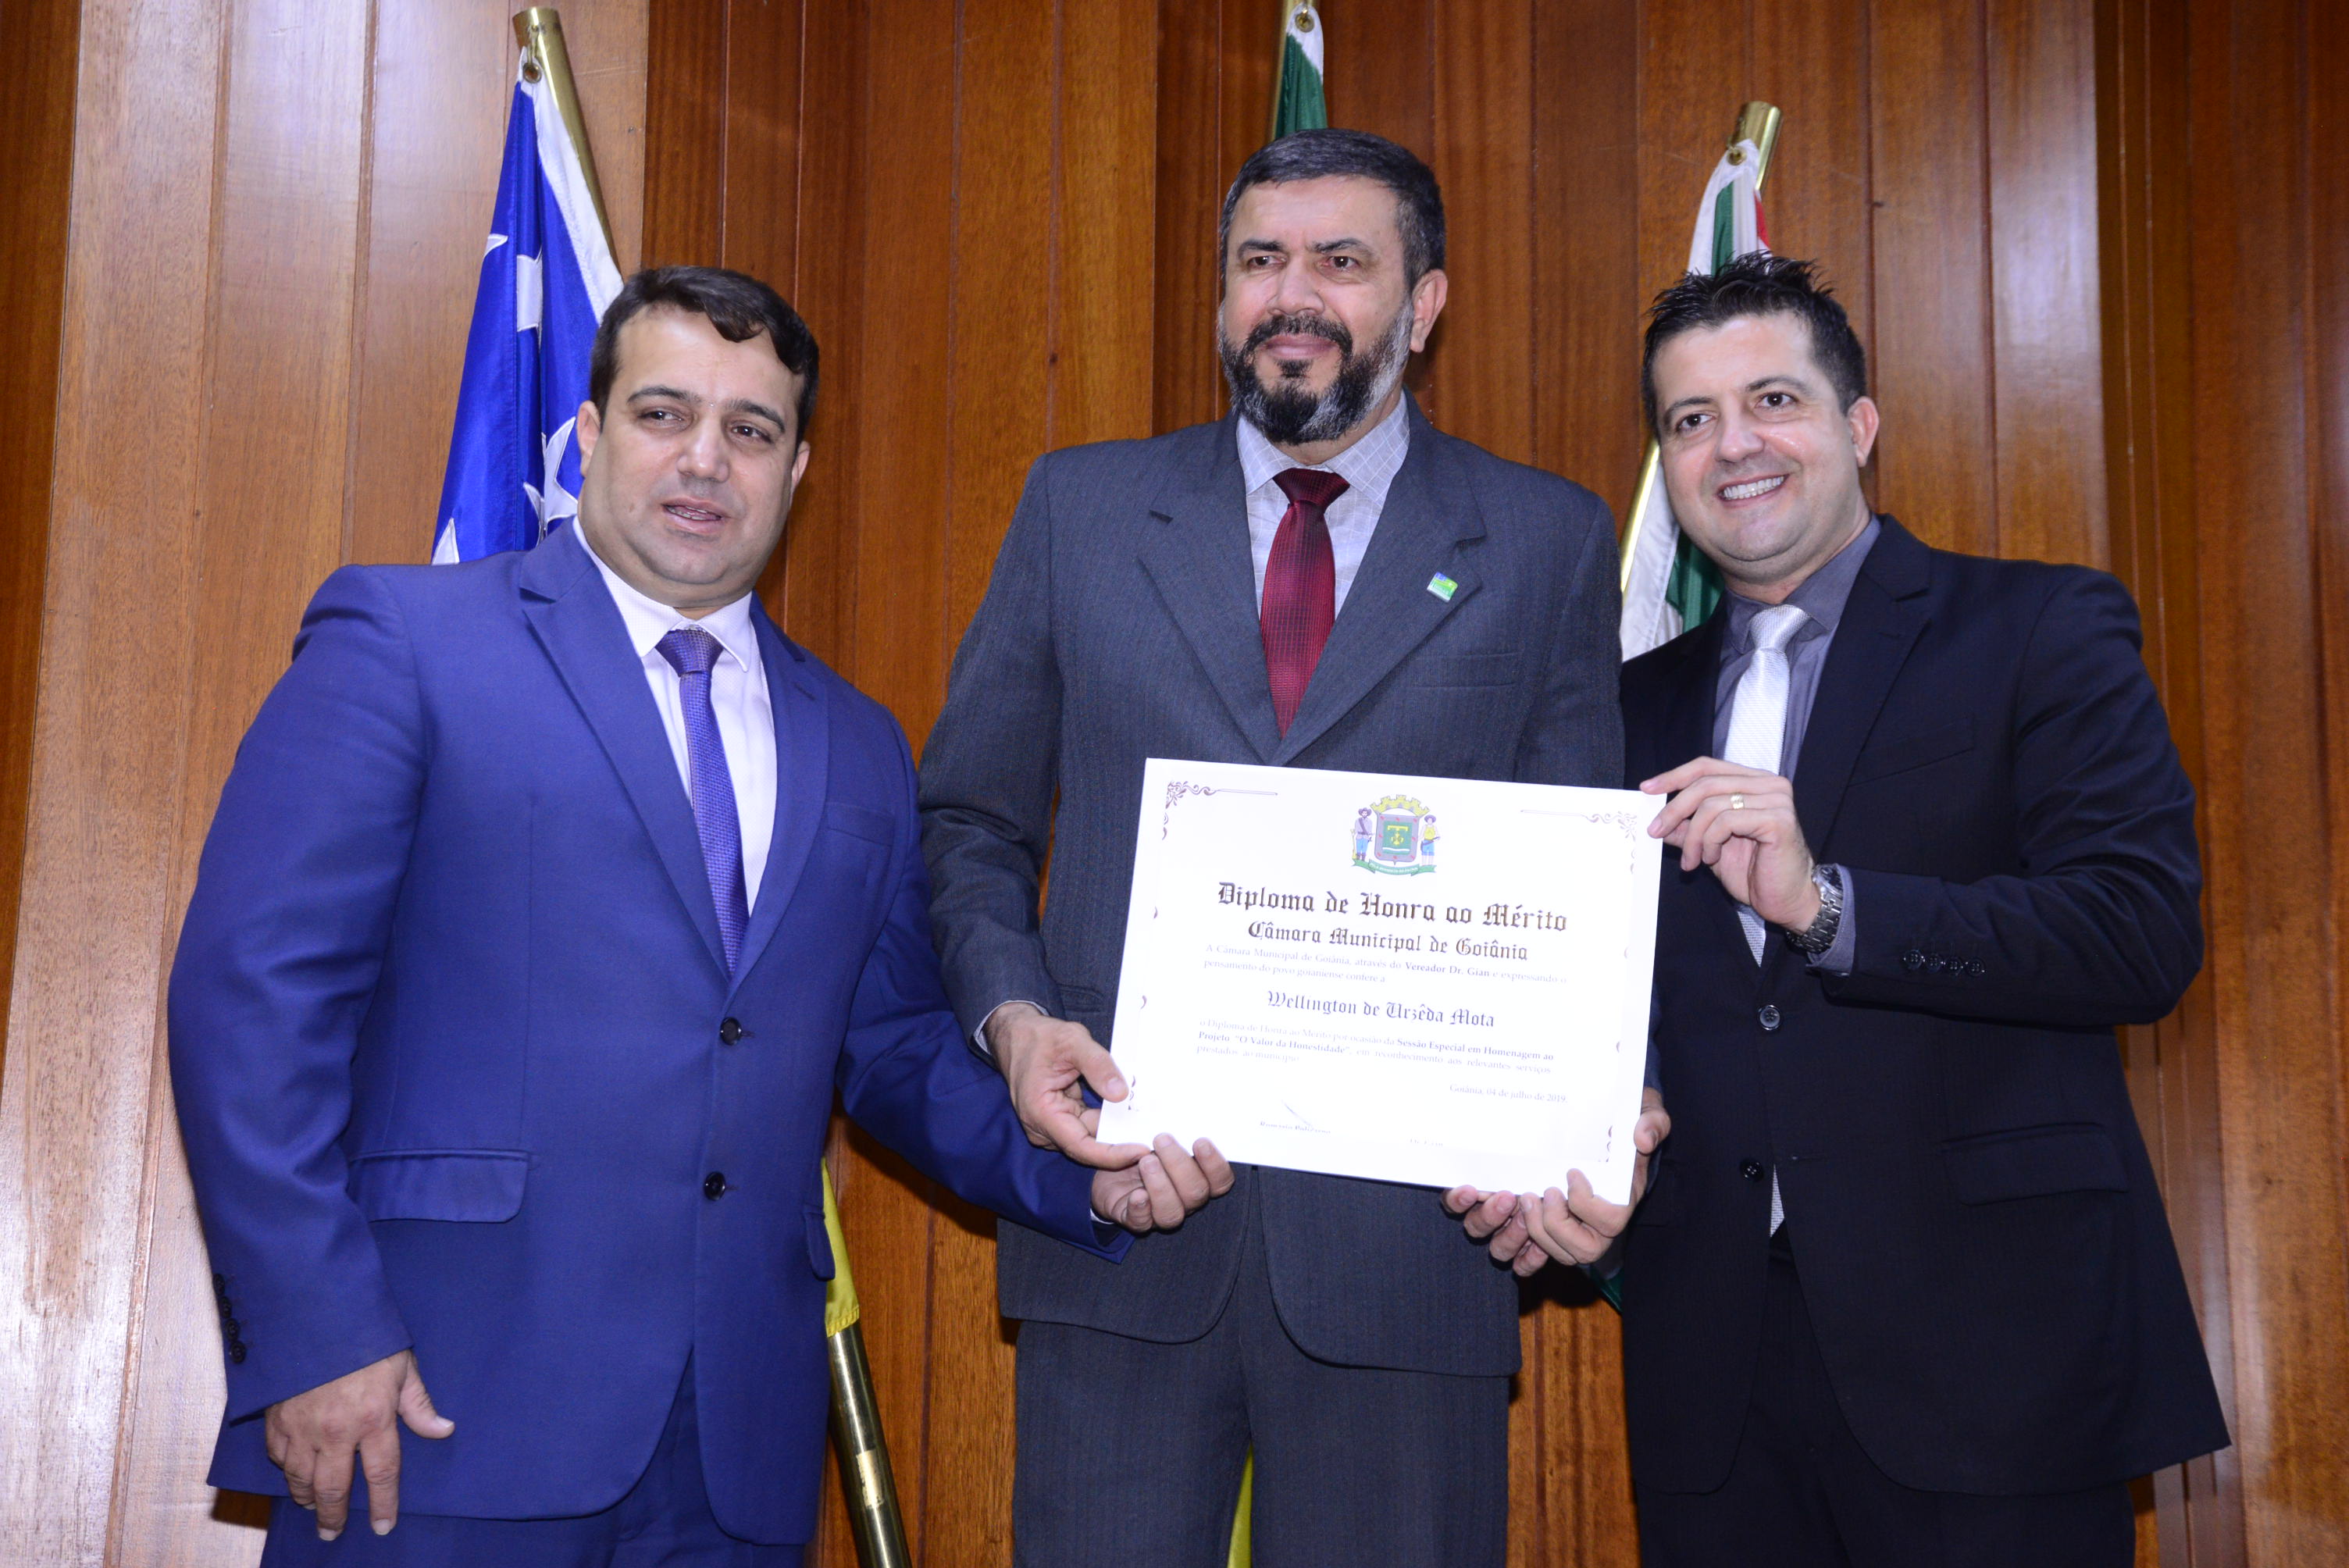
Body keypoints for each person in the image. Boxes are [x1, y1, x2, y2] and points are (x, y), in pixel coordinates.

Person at [167, 265, 1227, 1568]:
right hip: (435, 1413)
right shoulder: (406, 639)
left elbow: (893, 1049)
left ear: (798, 472)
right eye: (664, 413)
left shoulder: (859, 742)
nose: (705, 459)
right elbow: (251, 1002)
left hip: (731, 1458)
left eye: (751, 429)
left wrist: (1092, 1165)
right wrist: (317, 1333)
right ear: (589, 433)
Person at [918, 128, 1661, 1566]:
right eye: (1260, 261)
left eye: (1341, 261)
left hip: (1413, 1258)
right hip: (1125, 1215)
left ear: (1423, 304)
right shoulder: (1080, 510)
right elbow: (971, 820)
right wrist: (1014, 1022)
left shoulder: (1544, 540)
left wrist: (1584, 1114)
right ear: (1223, 296)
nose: (1292, 294)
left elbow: (1586, 889)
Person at [1499, 252, 2227, 1565]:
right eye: (1691, 419)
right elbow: (1600, 996)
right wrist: (1599, 1119)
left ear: (1860, 424)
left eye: (1773, 400)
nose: (1735, 445)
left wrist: (1830, 907)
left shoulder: (2038, 627)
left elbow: (2137, 932)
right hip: (1715, 1372)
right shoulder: (1619, 709)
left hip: (1992, 1356)